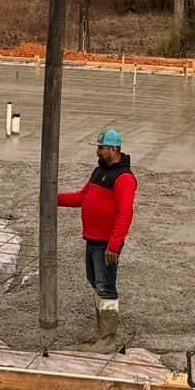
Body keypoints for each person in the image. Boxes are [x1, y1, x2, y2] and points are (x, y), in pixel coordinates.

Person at [58, 127, 137, 346]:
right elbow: (83, 197)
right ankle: (102, 330)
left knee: (106, 286)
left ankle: (108, 339)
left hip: (106, 244)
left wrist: (114, 244)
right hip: (93, 239)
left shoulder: (124, 178)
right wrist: (55, 199)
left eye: (101, 148)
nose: (98, 152)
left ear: (114, 150)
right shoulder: (99, 172)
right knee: (95, 280)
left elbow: (125, 213)